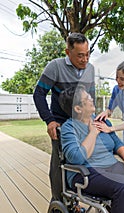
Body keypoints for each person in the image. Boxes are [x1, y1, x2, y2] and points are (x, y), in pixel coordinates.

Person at [58, 85, 124, 213]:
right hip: (85, 173)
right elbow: (76, 158)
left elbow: (117, 144)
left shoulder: (101, 120)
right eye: (87, 98)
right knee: (123, 185)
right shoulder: (69, 127)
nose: (92, 99)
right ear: (77, 109)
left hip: (111, 166)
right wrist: (93, 133)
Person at [33, 32, 95, 202]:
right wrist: (49, 120)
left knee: (84, 159)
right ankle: (58, 201)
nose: (85, 59)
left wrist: (93, 121)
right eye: (80, 55)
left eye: (87, 54)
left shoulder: (90, 69)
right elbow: (39, 93)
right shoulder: (55, 66)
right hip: (61, 124)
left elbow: (92, 97)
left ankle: (78, 199)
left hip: (82, 124)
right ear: (68, 52)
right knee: (60, 163)